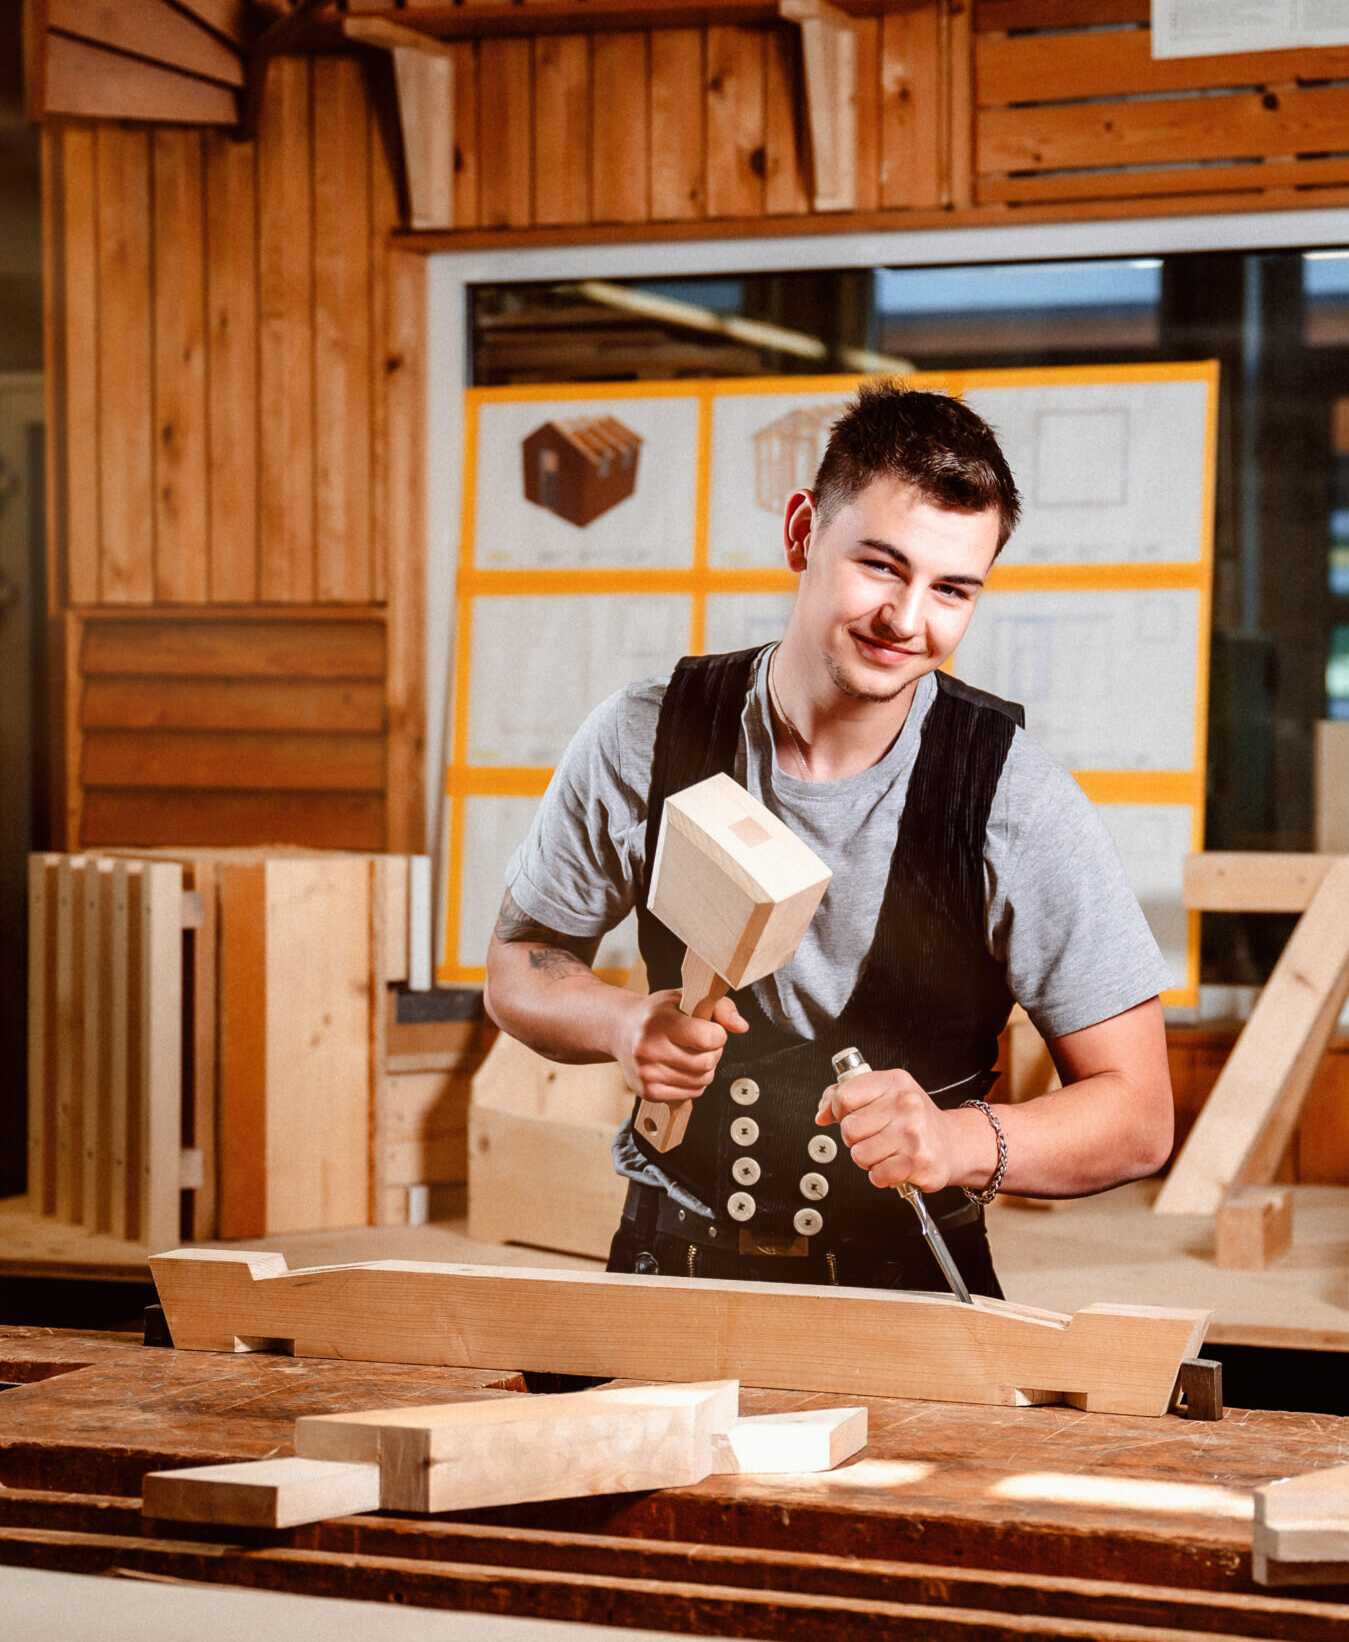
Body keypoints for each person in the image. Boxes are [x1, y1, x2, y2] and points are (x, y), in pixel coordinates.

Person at [486, 382, 1175, 1296]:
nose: (907, 619)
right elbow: (519, 963)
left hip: (908, 1295)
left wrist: (958, 1138)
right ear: (803, 530)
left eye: (952, 589)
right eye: (882, 566)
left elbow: (1139, 1115)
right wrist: (622, 1022)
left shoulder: (1012, 796)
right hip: (672, 1274)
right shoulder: (644, 739)